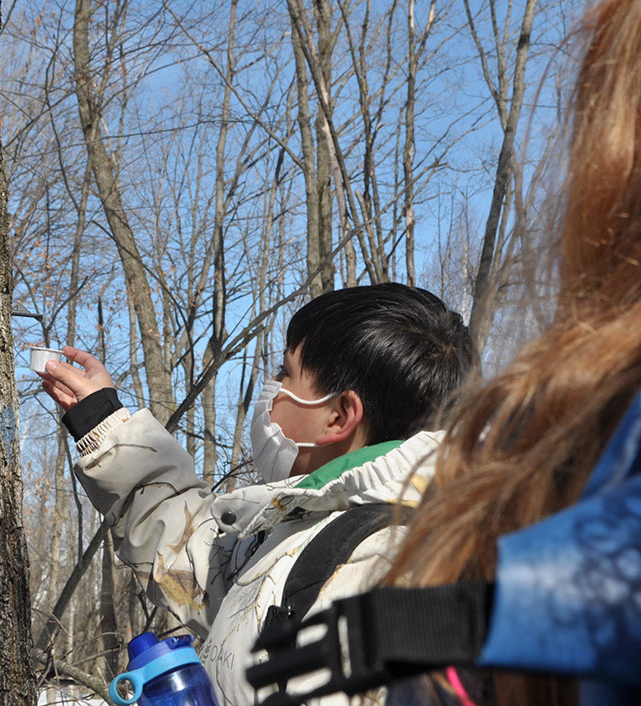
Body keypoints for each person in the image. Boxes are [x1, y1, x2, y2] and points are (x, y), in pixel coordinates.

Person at [249, 2, 641, 704]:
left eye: (285, 375)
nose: (270, 396)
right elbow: (189, 547)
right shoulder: (544, 448)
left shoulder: (400, 547)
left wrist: (489, 616)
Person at [40, 282, 474, 706]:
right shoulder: (305, 528)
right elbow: (190, 560)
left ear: (338, 416)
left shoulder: (390, 569)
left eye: (285, 373)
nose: (271, 387)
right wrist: (100, 417)